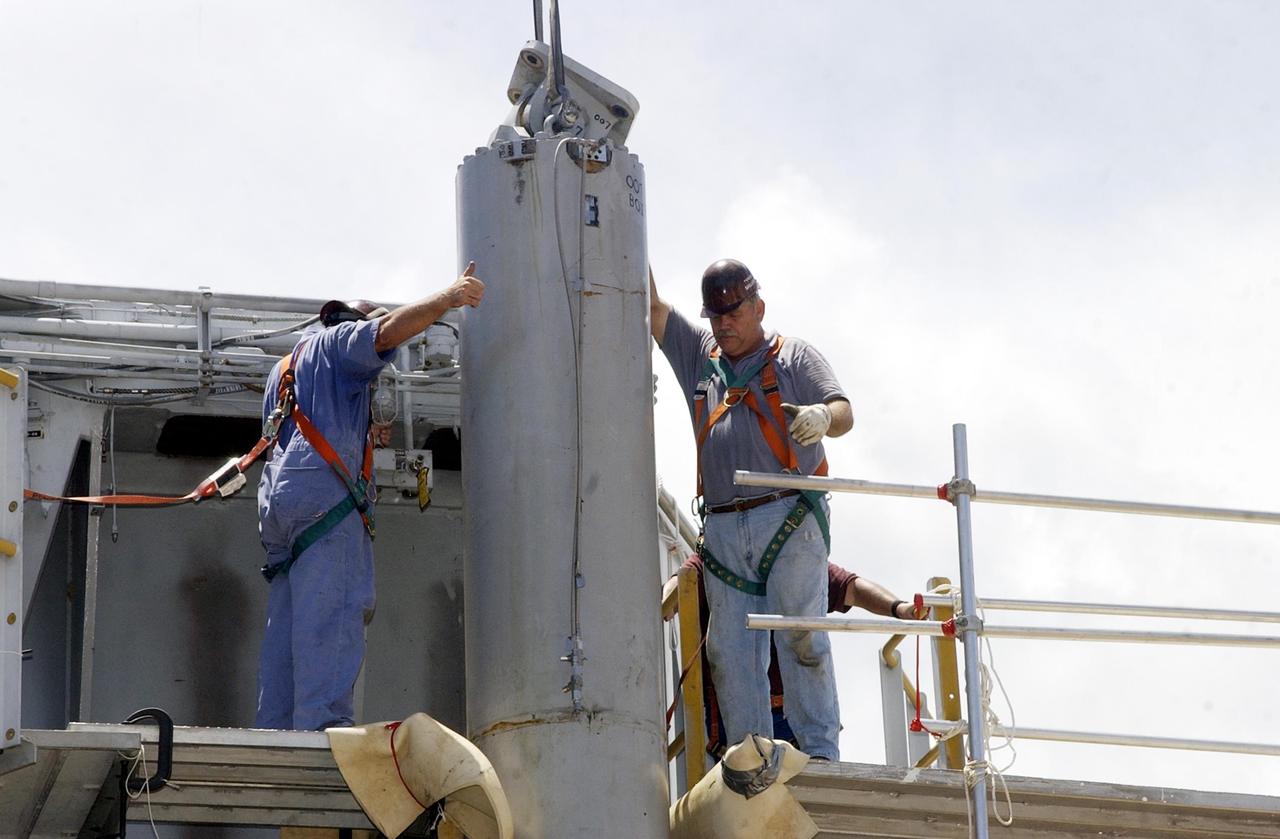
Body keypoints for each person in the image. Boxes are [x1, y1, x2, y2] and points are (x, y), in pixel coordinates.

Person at [254, 263, 485, 731]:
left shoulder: (285, 368)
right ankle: (322, 732)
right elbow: (384, 333)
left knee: (288, 626)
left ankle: (274, 733)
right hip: (323, 503)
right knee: (332, 610)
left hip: (280, 505)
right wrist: (447, 298)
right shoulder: (343, 343)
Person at [650, 258, 853, 760]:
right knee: (731, 652)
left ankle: (820, 753)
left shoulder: (793, 357)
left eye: (734, 312)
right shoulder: (701, 355)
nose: (724, 323)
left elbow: (844, 410)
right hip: (722, 527)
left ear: (757, 307)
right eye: (716, 316)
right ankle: (752, 756)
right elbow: (651, 309)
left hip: (786, 516)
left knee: (800, 635)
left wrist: (823, 415)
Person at [662, 557, 926, 756]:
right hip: (736, 721)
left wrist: (898, 608)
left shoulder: (793, 561)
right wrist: (669, 593)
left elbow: (851, 588)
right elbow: (682, 582)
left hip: (795, 717)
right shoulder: (717, 558)